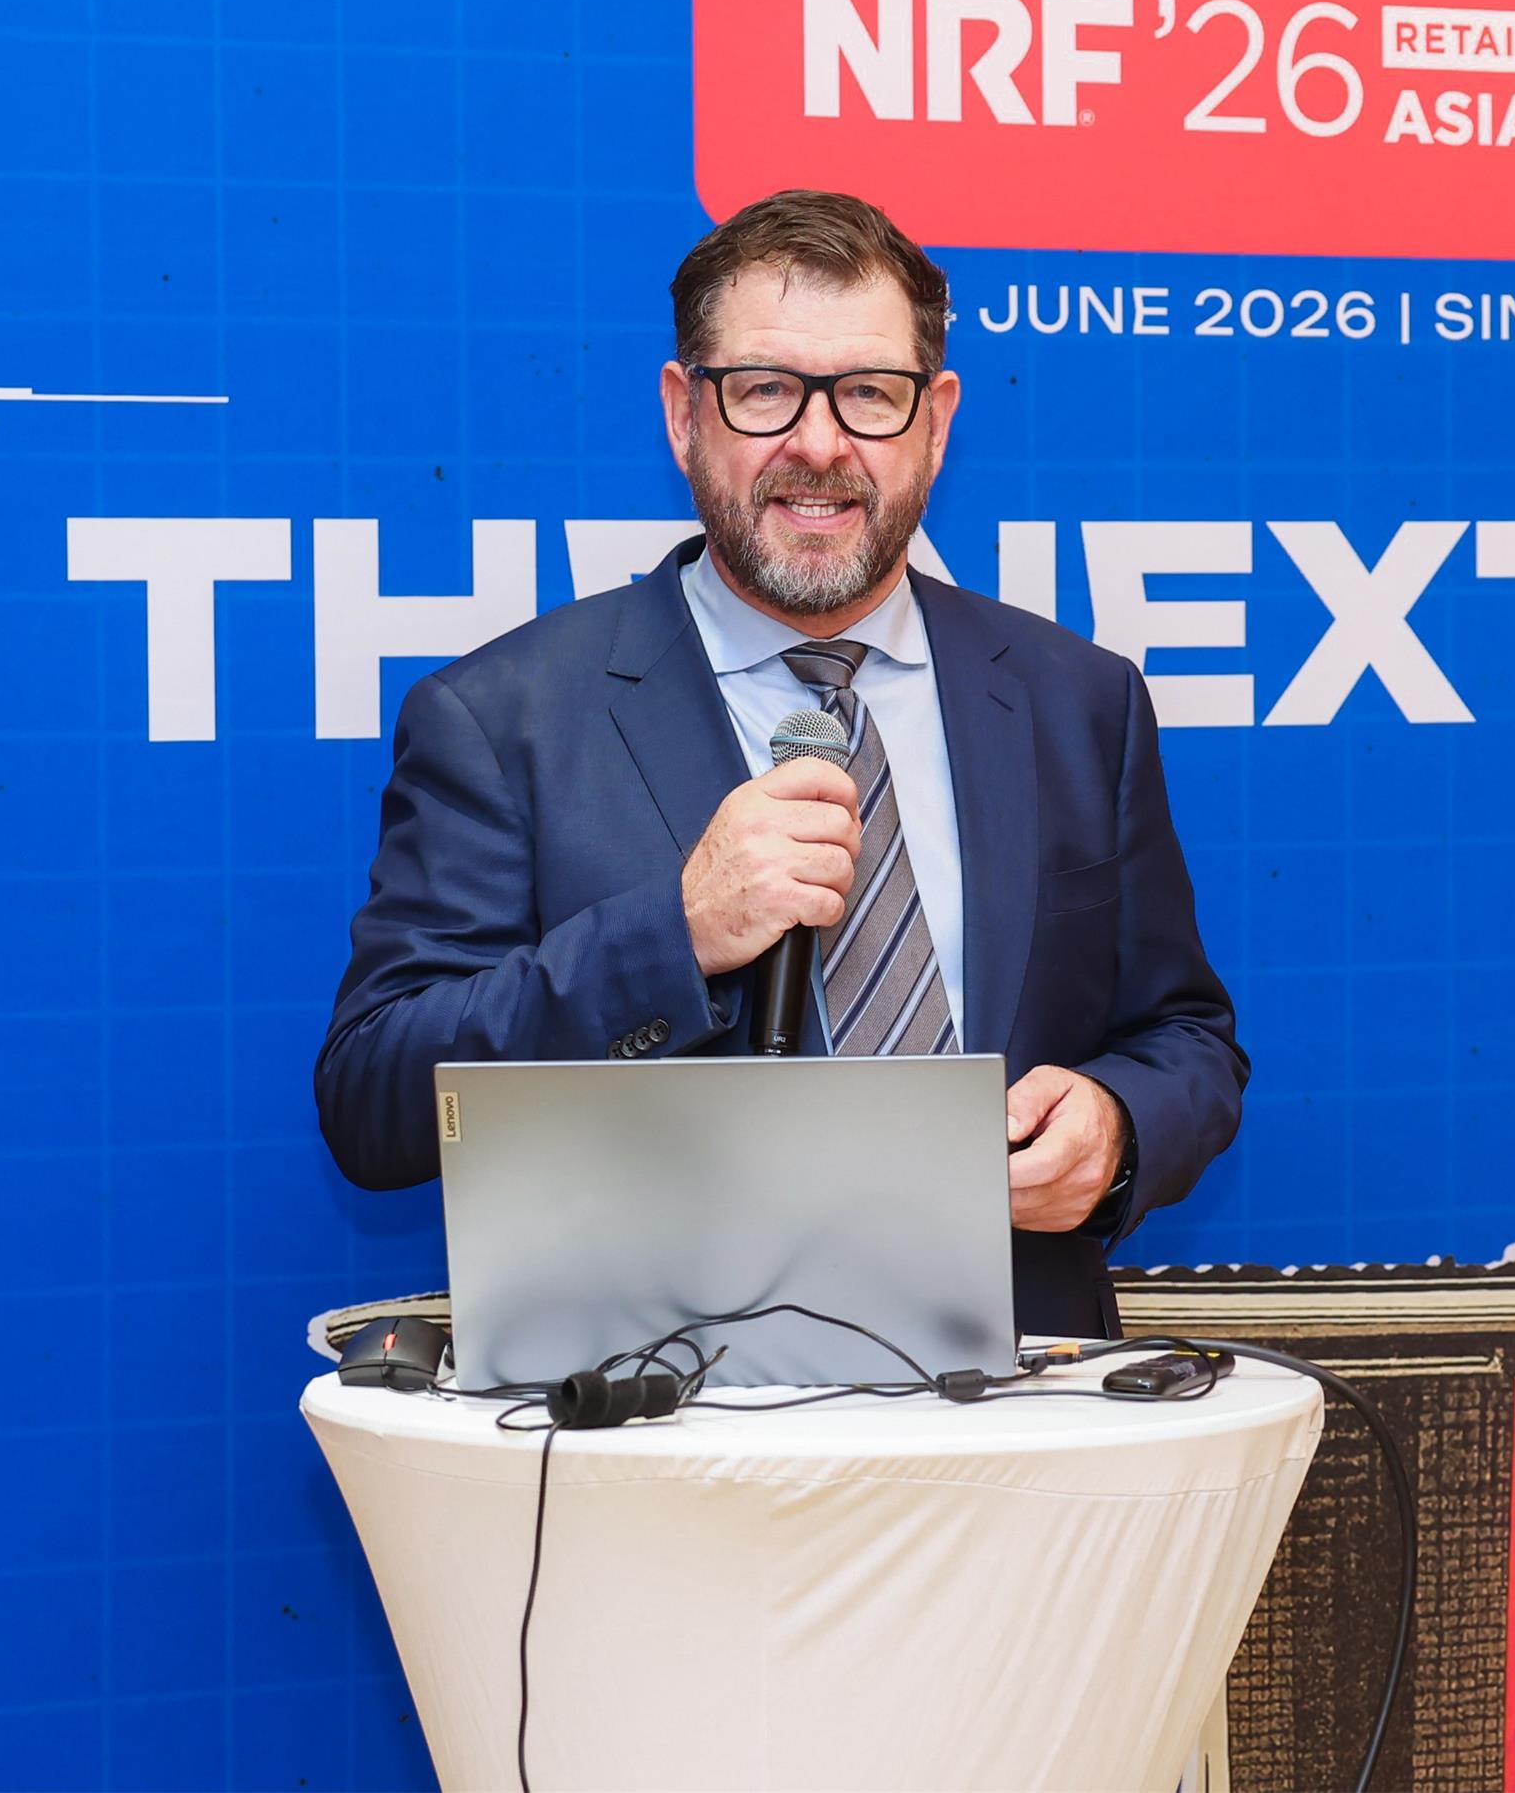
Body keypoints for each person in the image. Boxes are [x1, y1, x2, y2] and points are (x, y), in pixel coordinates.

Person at [314, 189, 1246, 1337]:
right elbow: (375, 1101)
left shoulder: (1078, 700)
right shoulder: (502, 719)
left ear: (936, 420)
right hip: (657, 1404)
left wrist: (1117, 1127)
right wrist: (674, 936)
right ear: (683, 413)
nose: (819, 444)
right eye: (765, 391)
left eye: (871, 393)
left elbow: (1186, 1037)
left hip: (1018, 1398)